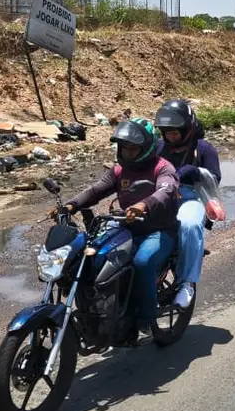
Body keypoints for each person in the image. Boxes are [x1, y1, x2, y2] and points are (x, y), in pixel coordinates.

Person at [51, 118, 180, 335]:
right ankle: (100, 308)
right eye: (124, 147)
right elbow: (96, 190)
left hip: (159, 230)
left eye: (133, 148)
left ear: (147, 146)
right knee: (91, 255)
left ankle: (146, 318)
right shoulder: (119, 171)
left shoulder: (163, 168)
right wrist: (71, 205)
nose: (128, 152)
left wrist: (143, 205)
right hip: (125, 228)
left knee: (143, 261)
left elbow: (165, 192)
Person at [154, 99, 222, 309]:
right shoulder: (159, 147)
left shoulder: (204, 149)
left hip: (192, 198)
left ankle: (187, 283)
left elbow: (214, 180)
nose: (170, 136)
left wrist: (196, 172)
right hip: (160, 196)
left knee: (189, 225)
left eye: (175, 132)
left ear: (187, 129)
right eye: (167, 132)